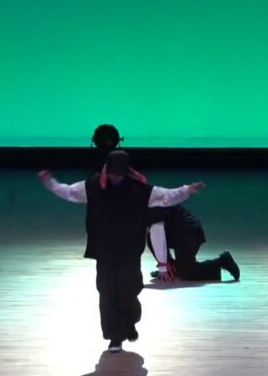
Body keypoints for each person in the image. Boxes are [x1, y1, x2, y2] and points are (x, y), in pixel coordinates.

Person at [39, 150, 204, 352]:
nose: (116, 178)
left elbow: (166, 196)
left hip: (130, 250)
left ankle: (130, 321)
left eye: (120, 174)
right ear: (107, 170)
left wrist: (187, 190)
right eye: (113, 174)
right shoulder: (93, 186)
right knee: (107, 293)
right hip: (104, 250)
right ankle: (114, 337)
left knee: (129, 290)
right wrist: (51, 183)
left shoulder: (140, 189)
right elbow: (69, 192)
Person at [146, 206, 240, 282]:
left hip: (189, 231)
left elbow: (157, 231)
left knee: (187, 273)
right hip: (177, 231)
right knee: (150, 236)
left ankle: (222, 261)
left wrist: (163, 265)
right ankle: (173, 269)